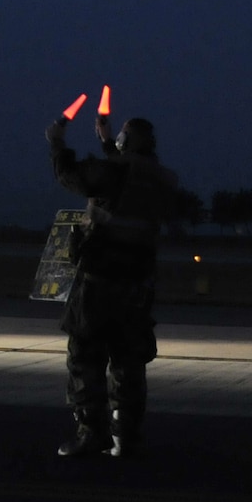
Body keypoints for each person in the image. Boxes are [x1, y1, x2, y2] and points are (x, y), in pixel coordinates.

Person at [46, 112, 179, 459]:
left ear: (129, 142)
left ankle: (92, 433)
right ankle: (127, 437)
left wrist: (57, 143)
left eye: (122, 134)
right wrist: (106, 141)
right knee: (128, 361)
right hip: (137, 285)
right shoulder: (160, 179)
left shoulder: (117, 171)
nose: (116, 138)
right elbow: (125, 178)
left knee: (85, 357)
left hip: (100, 281)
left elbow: (72, 177)